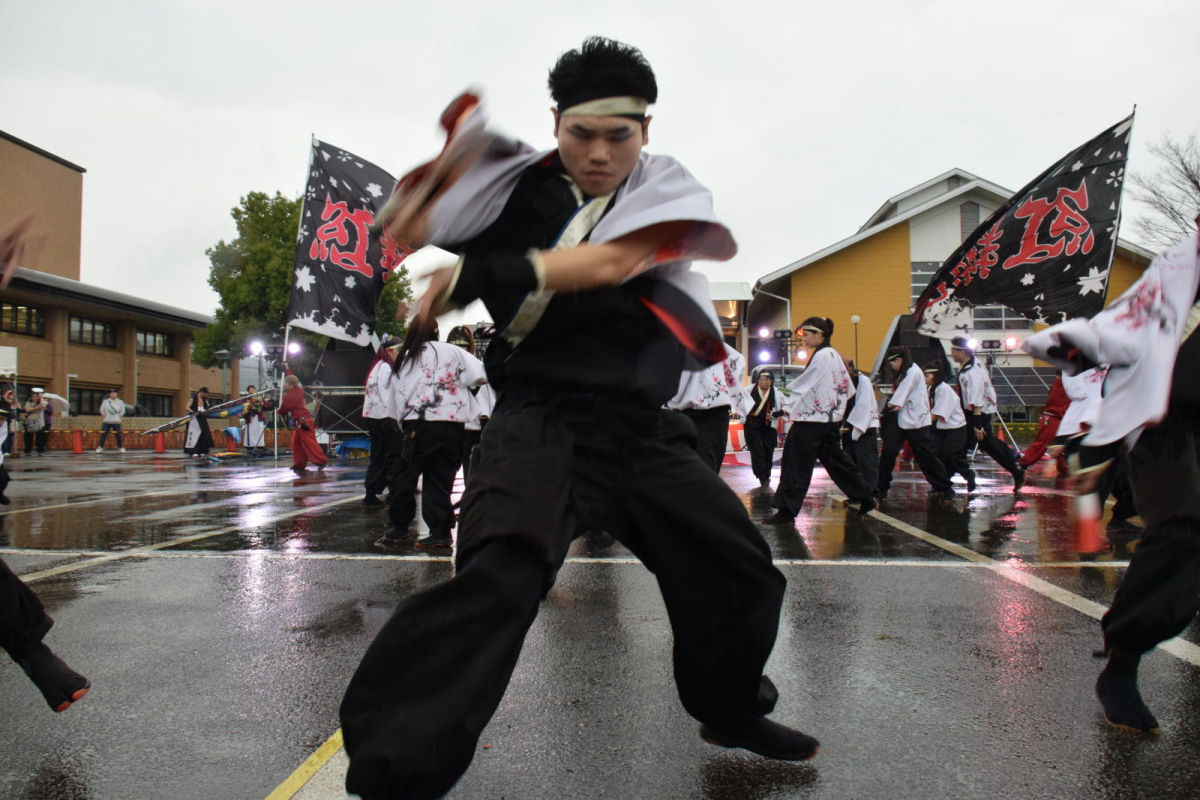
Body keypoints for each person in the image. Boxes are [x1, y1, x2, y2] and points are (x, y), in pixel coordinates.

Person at [340, 38, 818, 800]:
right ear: (555, 123)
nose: (599, 154)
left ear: (646, 131)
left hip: (635, 428)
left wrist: (484, 271)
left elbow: (609, 262)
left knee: (738, 570)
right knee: (497, 583)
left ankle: (729, 709)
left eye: (618, 136)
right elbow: (403, 229)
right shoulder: (508, 188)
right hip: (536, 421)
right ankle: (394, 772)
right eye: (581, 134)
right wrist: (443, 177)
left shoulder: (666, 187)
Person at [1023, 224, 1199, 734]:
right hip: (1166, 419)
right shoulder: (1183, 265)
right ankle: (1123, 658)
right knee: (1182, 529)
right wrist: (1070, 342)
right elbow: (1126, 324)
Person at [378, 324, 485, 549]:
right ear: (437, 332)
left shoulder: (407, 359)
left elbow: (396, 398)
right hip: (453, 424)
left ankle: (400, 529)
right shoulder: (454, 352)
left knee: (404, 477)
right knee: (439, 479)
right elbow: (482, 375)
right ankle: (440, 532)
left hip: (419, 425)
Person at [765, 317, 875, 522]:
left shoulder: (824, 356)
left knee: (796, 461)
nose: (804, 339)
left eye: (807, 335)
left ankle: (787, 510)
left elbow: (806, 385)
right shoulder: (831, 354)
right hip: (825, 419)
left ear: (819, 334)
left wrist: (786, 397)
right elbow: (846, 387)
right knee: (836, 461)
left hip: (812, 420)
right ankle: (864, 496)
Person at [875, 346, 954, 501]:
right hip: (901, 418)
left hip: (917, 421)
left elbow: (899, 397)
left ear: (899, 360)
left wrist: (880, 412)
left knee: (926, 457)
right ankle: (881, 489)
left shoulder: (912, 372)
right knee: (888, 453)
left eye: (892, 363)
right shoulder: (904, 373)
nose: (891, 367)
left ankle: (945, 487)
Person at [948, 338, 1026, 491]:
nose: (951, 354)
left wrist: (977, 424)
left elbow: (976, 399)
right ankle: (1016, 471)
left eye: (953, 351)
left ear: (962, 352)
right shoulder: (972, 364)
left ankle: (946, 481)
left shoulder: (972, 373)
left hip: (977, 413)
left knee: (959, 448)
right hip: (974, 413)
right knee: (983, 445)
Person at [666, 342, 752, 473]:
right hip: (718, 415)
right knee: (709, 464)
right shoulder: (723, 349)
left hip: (691, 413)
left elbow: (676, 385)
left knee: (691, 467)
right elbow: (739, 363)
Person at [361, 341, 403, 506]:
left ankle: (370, 493)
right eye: (399, 350)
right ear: (390, 351)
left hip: (373, 416)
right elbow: (387, 394)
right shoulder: (386, 367)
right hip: (386, 416)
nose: (400, 354)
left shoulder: (377, 366)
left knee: (377, 456)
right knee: (394, 456)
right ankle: (394, 493)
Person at [926, 365, 975, 491]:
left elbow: (936, 414)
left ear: (935, 376)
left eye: (927, 375)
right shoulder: (931, 389)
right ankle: (942, 482)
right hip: (941, 427)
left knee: (951, 454)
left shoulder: (944, 389)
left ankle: (968, 475)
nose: (925, 378)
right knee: (937, 455)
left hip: (955, 426)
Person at [840, 359, 880, 497]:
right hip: (848, 425)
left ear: (850, 368)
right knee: (850, 460)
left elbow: (864, 404)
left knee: (866, 461)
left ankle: (869, 491)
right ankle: (855, 493)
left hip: (864, 424)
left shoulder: (862, 381)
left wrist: (856, 427)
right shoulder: (841, 381)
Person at [277, 369, 327, 476]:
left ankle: (321, 460)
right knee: (298, 444)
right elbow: (293, 378)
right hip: (304, 421)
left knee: (309, 443)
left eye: (285, 383)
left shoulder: (289, 396)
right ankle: (299, 464)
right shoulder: (299, 390)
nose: (284, 386)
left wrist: (279, 411)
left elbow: (284, 409)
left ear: (290, 385)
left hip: (302, 421)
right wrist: (287, 369)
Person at [1018, 371, 1069, 471]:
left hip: (1054, 419)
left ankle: (1063, 467)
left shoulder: (1059, 385)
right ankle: (1024, 462)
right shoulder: (1061, 385)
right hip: (1053, 419)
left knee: (1061, 443)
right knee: (1043, 443)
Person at [744, 371, 779, 489]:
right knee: (757, 451)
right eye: (761, 379)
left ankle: (767, 473)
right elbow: (739, 400)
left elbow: (788, 406)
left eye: (766, 380)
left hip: (768, 426)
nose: (763, 382)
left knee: (768, 450)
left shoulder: (777, 393)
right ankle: (761, 476)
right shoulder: (749, 390)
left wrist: (776, 413)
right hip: (752, 424)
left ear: (771, 381)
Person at [461, 379, 495, 481]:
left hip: (471, 424)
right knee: (474, 464)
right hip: (476, 424)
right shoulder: (479, 374)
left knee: (470, 464)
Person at [184, 387, 213, 458]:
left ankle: (203, 450)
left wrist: (207, 405)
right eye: (205, 393)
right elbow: (187, 407)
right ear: (201, 392)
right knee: (194, 434)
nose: (206, 395)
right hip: (194, 418)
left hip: (202, 417)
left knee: (203, 433)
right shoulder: (193, 398)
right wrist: (193, 412)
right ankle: (194, 451)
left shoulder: (205, 399)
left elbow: (208, 407)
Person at [96, 388, 127, 453]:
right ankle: (100, 447)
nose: (114, 394)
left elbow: (122, 411)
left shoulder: (120, 402)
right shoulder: (105, 401)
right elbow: (102, 410)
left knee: (118, 435)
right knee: (103, 435)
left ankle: (121, 447)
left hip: (116, 422)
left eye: (115, 393)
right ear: (109, 394)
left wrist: (119, 418)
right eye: (112, 393)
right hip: (106, 422)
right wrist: (104, 417)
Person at [243, 385, 269, 454]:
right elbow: (244, 407)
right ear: (248, 391)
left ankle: (260, 445)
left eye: (253, 389)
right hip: (250, 417)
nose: (252, 390)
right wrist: (250, 408)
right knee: (251, 431)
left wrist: (259, 405)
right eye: (250, 389)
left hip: (258, 417)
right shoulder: (246, 398)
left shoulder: (259, 397)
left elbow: (265, 405)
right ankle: (250, 446)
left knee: (259, 430)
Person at [22, 388, 49, 456]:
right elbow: (27, 409)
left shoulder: (41, 402)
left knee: (40, 436)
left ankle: (40, 450)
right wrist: (35, 408)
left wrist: (41, 398)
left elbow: (43, 405)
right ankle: (27, 450)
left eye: (36, 396)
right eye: (33, 396)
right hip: (30, 421)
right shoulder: (28, 403)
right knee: (28, 437)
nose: (34, 398)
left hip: (39, 421)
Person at [1, 388, 17, 457]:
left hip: (12, 421)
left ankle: (8, 450)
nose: (12, 396)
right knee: (4, 436)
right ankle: (5, 450)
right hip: (6, 420)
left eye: (13, 395)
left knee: (10, 436)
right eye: (11, 395)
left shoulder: (15, 404)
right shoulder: (4, 402)